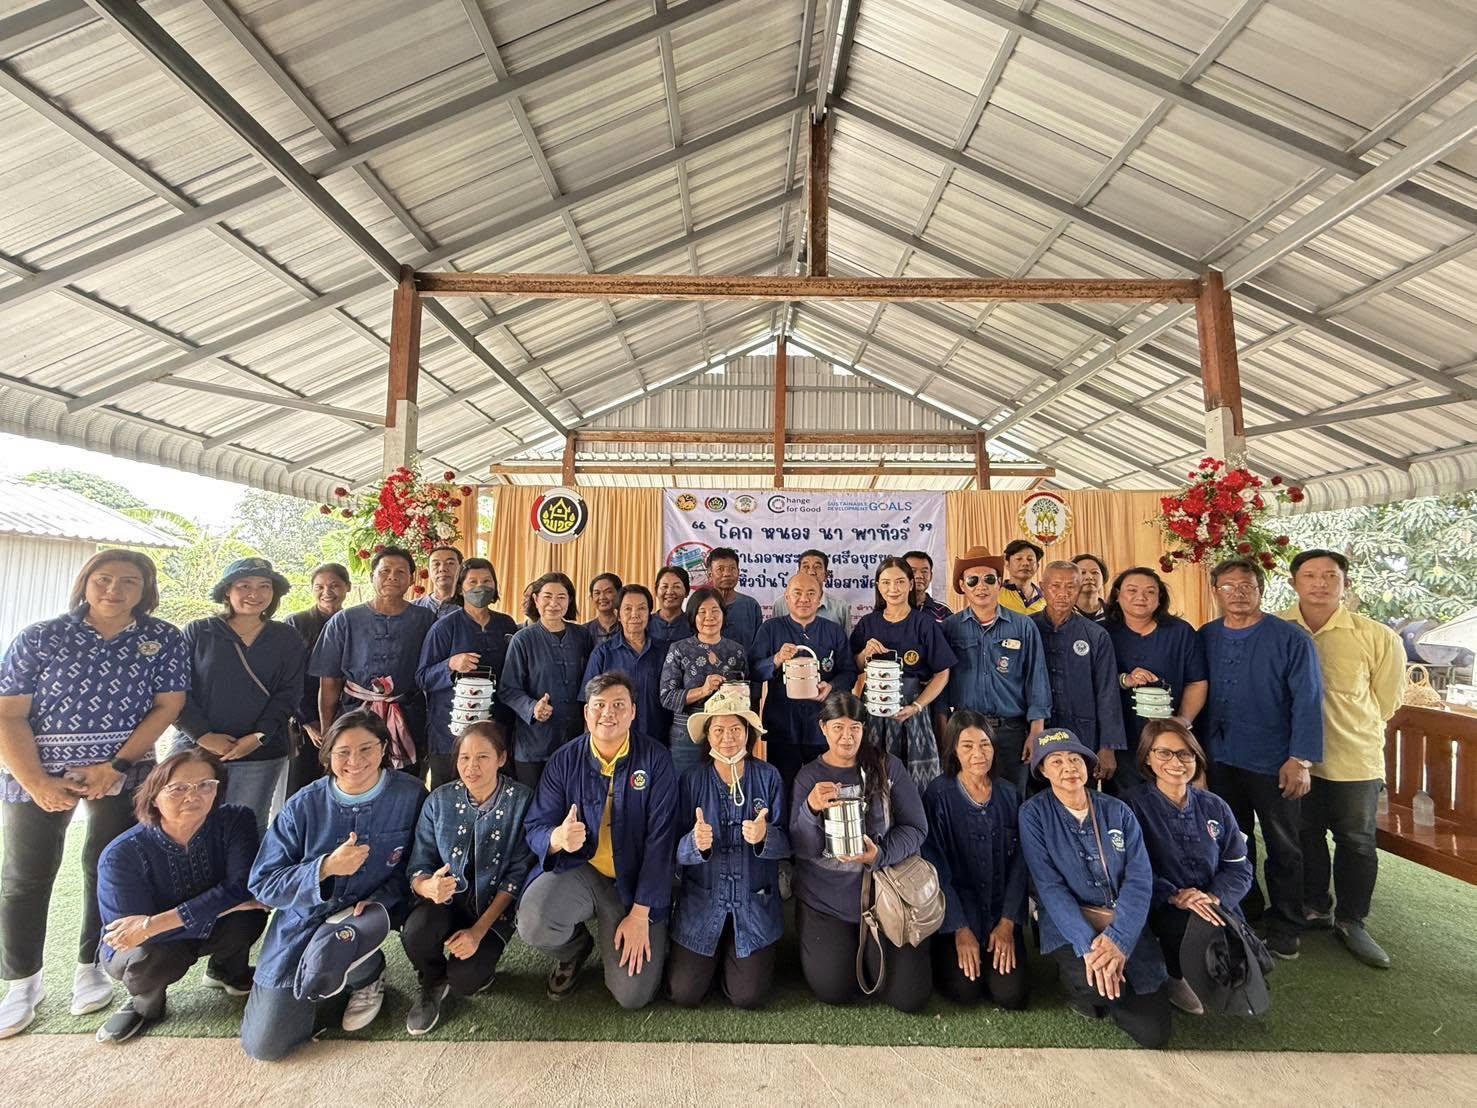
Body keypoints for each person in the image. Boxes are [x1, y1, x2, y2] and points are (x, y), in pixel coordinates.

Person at [0, 549, 189, 1038]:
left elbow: (168, 706)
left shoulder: (162, 638)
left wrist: (117, 766)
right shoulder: (41, 636)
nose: (114, 590)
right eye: (104, 579)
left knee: (108, 868)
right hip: (38, 770)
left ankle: (92, 965)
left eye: (129, 581)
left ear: (145, 590)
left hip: (122, 770)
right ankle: (22, 982)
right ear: (85, 582)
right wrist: (36, 781)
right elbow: (9, 713)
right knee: (25, 876)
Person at [240, 711, 426, 1060]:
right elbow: (264, 883)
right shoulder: (303, 805)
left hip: (367, 916)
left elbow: (416, 863)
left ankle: (366, 972)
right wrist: (323, 869)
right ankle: (330, 973)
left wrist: (381, 900)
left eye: (366, 749)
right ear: (327, 755)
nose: (355, 761)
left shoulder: (410, 794)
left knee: (343, 945)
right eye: (343, 752)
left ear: (383, 748)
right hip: (303, 920)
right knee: (266, 1045)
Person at [518, 674, 677, 1009]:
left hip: (633, 882)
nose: (609, 713)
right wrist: (557, 838)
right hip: (581, 870)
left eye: (619, 704)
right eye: (599, 705)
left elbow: (661, 843)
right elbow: (535, 826)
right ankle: (576, 948)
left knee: (632, 996)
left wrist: (640, 914)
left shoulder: (656, 759)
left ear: (633, 712)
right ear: (586, 713)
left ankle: (654, 929)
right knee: (533, 922)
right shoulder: (564, 759)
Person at [1281, 548, 1404, 969]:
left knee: (1356, 841)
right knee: (1304, 834)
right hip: (1296, 759)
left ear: (1345, 583)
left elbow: (1387, 702)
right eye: (1310, 575)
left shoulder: (1377, 636)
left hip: (1354, 759)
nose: (1320, 583)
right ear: (1294, 582)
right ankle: (1315, 906)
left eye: (1330, 576)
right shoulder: (1277, 628)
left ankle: (1353, 921)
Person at [94, 751, 267, 1042]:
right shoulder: (122, 854)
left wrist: (155, 922)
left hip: (176, 928)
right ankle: (145, 1004)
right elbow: (130, 934)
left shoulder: (236, 820)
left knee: (249, 917)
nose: (193, 796)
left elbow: (240, 887)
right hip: (150, 945)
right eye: (178, 788)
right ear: (153, 797)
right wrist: (225, 906)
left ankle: (228, 971)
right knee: (152, 956)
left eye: (205, 785)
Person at [1199, 557, 1324, 961]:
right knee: (1232, 840)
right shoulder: (1206, 635)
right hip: (1219, 758)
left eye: (1247, 586)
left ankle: (1287, 924)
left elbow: (1308, 699)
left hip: (1274, 761)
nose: (1237, 593)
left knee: (1284, 844)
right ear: (1215, 592)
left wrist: (1300, 759)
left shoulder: (1290, 638)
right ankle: (1246, 911)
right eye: (1228, 586)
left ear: (1261, 590)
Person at [1019, 728, 1171, 1049]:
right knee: (1098, 989)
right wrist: (1089, 947)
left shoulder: (1117, 810)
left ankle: (1120, 978)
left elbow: (1139, 879)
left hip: (1120, 922)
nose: (1068, 768)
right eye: (1056, 761)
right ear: (1043, 770)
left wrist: (1118, 940)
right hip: (1072, 926)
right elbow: (1050, 887)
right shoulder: (1033, 814)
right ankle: (1080, 986)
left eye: (1075, 759)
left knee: (1154, 1032)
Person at [790, 692, 931, 1012]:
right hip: (826, 901)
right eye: (838, 727)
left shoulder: (887, 766)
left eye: (855, 727)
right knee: (835, 989)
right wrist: (811, 809)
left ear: (864, 729)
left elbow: (916, 828)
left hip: (886, 897)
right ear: (823, 728)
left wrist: (880, 854)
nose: (847, 736)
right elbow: (802, 848)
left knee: (909, 997)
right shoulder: (809, 776)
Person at [401, 722, 534, 1034]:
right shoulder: (439, 801)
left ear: (502, 758)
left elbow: (516, 875)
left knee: (467, 979)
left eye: (482, 757)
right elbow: (418, 865)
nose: (472, 767)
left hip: (493, 911)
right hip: (446, 903)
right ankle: (432, 980)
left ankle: (471, 970)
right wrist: (427, 886)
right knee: (416, 933)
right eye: (464, 758)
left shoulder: (522, 800)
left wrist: (478, 931)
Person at [669, 691, 790, 1009]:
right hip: (702, 902)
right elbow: (674, 850)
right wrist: (694, 843)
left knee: (747, 996)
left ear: (747, 733)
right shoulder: (691, 780)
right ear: (707, 735)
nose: (727, 738)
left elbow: (788, 845)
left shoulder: (769, 777)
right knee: (684, 993)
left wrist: (765, 836)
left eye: (736, 729)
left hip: (754, 902)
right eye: (719, 730)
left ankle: (733, 959)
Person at [1124, 719, 1254, 1016]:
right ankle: (1173, 974)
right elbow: (1129, 871)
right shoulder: (1130, 806)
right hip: (1161, 905)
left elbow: (1239, 867)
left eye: (1185, 754)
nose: (1176, 762)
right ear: (1147, 758)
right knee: (1186, 927)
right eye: (1164, 753)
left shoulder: (1215, 806)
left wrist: (1213, 897)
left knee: (1238, 964)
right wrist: (1175, 896)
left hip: (1212, 903)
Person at [174, 557, 306, 835]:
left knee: (245, 829)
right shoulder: (199, 632)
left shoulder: (287, 637)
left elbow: (289, 694)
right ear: (227, 590)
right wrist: (202, 735)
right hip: (196, 750)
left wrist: (257, 737)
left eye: (264, 586)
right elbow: (174, 691)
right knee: (184, 824)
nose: (254, 594)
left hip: (260, 754)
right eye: (244, 585)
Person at [921, 711, 1028, 1011]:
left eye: (985, 745)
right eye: (967, 746)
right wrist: (959, 928)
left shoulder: (1010, 795)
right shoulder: (938, 795)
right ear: (954, 751)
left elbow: (1021, 865)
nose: (978, 754)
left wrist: (1007, 924)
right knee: (964, 990)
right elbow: (936, 866)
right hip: (958, 912)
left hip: (1000, 912)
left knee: (1010, 994)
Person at [310, 546, 437, 779]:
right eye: (385, 571)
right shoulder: (344, 621)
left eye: (400, 572)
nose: (392, 577)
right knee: (355, 777)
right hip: (353, 714)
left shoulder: (427, 620)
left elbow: (433, 673)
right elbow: (329, 682)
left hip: (410, 718)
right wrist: (328, 730)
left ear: (411, 579)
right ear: (372, 576)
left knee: (406, 781)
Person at [941, 547, 1049, 795]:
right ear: (962, 585)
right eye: (973, 580)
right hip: (963, 731)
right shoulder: (949, 628)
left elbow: (1037, 678)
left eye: (989, 579)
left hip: (1011, 732)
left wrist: (1036, 730)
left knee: (1012, 797)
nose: (982, 586)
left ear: (1000, 582)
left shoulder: (1023, 626)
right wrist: (944, 732)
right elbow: (942, 684)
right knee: (968, 797)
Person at [851, 556, 956, 788]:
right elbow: (853, 666)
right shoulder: (868, 623)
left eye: (900, 582)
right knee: (874, 778)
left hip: (913, 710)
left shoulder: (924, 623)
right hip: (873, 710)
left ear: (910, 584)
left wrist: (917, 706)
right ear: (878, 586)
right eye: (886, 582)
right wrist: (864, 654)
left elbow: (943, 672)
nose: (893, 588)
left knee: (917, 784)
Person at [1103, 567, 1208, 796]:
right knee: (1126, 802)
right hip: (1121, 740)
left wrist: (1183, 720)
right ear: (1117, 595)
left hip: (1169, 737)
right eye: (1132, 590)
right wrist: (1125, 679)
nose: (1141, 597)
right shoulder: (1103, 632)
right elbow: (1094, 683)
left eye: (1150, 592)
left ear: (1159, 597)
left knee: (1171, 799)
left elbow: (1197, 682)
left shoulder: (1180, 632)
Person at [416, 558, 519, 789]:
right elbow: (422, 677)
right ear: (460, 588)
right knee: (448, 792)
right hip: (450, 733)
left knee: (494, 790)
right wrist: (450, 665)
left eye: (486, 581)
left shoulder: (506, 625)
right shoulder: (444, 628)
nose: (480, 587)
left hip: (495, 727)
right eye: (472, 582)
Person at [751, 574, 857, 795]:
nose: (804, 599)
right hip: (782, 724)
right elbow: (753, 670)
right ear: (787, 597)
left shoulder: (833, 631)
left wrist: (832, 687)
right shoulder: (771, 629)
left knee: (823, 787)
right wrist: (776, 659)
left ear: (820, 598)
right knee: (782, 786)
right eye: (797, 593)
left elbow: (849, 672)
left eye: (811, 593)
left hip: (822, 724)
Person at [1032, 561, 1125, 787]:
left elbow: (1107, 692)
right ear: (1043, 587)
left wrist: (1108, 746)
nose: (1063, 593)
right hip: (1036, 732)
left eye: (1071, 586)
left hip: (1083, 733)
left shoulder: (1096, 635)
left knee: (1081, 792)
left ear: (1080, 588)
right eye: (1055, 586)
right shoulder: (1027, 628)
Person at [499, 573, 594, 791]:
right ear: (536, 599)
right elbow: (508, 689)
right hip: (534, 744)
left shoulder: (582, 636)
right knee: (533, 803)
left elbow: (592, 682)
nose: (554, 603)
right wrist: (532, 707)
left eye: (561, 597)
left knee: (571, 800)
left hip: (575, 739)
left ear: (569, 601)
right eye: (547, 596)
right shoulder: (522, 639)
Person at [659, 587, 749, 775]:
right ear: (693, 616)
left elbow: (748, 696)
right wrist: (703, 690)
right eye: (702, 612)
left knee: (725, 785)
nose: (710, 617)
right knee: (686, 787)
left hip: (727, 736)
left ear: (723, 615)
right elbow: (667, 697)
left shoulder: (737, 651)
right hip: (687, 737)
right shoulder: (679, 649)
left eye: (715, 611)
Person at [283, 563, 350, 798]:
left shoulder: (352, 621)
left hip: (346, 716)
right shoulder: (295, 623)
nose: (327, 592)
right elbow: (287, 678)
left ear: (347, 587)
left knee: (339, 784)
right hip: (306, 721)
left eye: (334, 585)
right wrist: (308, 721)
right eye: (319, 587)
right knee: (301, 787)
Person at [581, 585, 670, 749]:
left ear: (649, 613)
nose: (635, 614)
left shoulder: (664, 651)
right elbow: (589, 701)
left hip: (658, 740)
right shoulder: (603, 653)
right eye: (628, 609)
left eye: (641, 608)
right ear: (618, 614)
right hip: (614, 741)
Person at [771, 549, 853, 633]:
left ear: (826, 575)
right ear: (798, 574)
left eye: (817, 567)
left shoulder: (840, 607)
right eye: (806, 567)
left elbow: (846, 639)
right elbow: (774, 636)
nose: (811, 572)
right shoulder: (781, 604)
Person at [704, 547, 762, 649]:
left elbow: (759, 646)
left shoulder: (751, 605)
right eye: (720, 569)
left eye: (732, 569)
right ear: (710, 574)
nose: (727, 574)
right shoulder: (701, 604)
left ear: (738, 572)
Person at [998, 539, 1045, 616]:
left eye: (1030, 559)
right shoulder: (996, 594)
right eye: (1019, 559)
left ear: (1037, 566)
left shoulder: (1045, 598)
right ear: (1007, 564)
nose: (1025, 563)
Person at [903, 549, 952, 623]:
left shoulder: (943, 612)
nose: (919, 576)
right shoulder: (890, 610)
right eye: (913, 571)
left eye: (924, 571)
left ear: (931, 576)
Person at [650, 566, 693, 645]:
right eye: (665, 586)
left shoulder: (693, 624)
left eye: (677, 587)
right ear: (656, 591)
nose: (669, 592)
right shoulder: (645, 623)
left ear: (686, 592)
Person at [585, 573, 623, 644]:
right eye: (597, 593)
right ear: (591, 598)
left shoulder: (628, 628)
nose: (602, 597)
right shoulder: (583, 631)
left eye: (608, 592)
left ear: (619, 595)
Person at [1072, 554, 1110, 622]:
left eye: (1095, 572)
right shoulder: (1062, 614)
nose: (1089, 577)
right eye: (1082, 572)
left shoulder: (1114, 613)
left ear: (1103, 578)